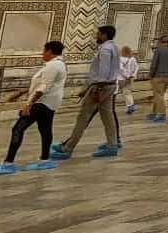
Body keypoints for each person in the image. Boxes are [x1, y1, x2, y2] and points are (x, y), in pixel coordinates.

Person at [0, 40, 66, 175]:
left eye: (44, 50)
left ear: (50, 51)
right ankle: (44, 160)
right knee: (45, 130)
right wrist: (22, 92)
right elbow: (41, 83)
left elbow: (43, 87)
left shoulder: (52, 66)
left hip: (41, 103)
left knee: (18, 128)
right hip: (49, 103)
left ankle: (8, 163)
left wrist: (29, 105)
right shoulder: (57, 64)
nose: (42, 53)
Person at [52, 25, 122, 160]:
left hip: (100, 87)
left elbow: (103, 71)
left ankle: (67, 148)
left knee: (83, 117)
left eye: (99, 34)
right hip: (110, 86)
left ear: (105, 35)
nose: (97, 36)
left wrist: (95, 89)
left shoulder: (105, 49)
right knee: (108, 117)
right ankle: (112, 145)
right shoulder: (114, 47)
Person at [146, 35, 168, 123]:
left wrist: (150, 74)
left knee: (158, 95)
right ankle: (154, 113)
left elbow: (154, 64)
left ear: (160, 42)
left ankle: (162, 114)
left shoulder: (158, 51)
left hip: (158, 76)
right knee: (159, 95)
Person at [117, 44, 139, 119]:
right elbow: (136, 67)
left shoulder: (120, 59)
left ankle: (130, 106)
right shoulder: (133, 59)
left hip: (121, 78)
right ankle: (130, 105)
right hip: (130, 78)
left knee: (118, 92)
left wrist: (126, 76)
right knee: (127, 92)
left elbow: (120, 69)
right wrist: (133, 75)